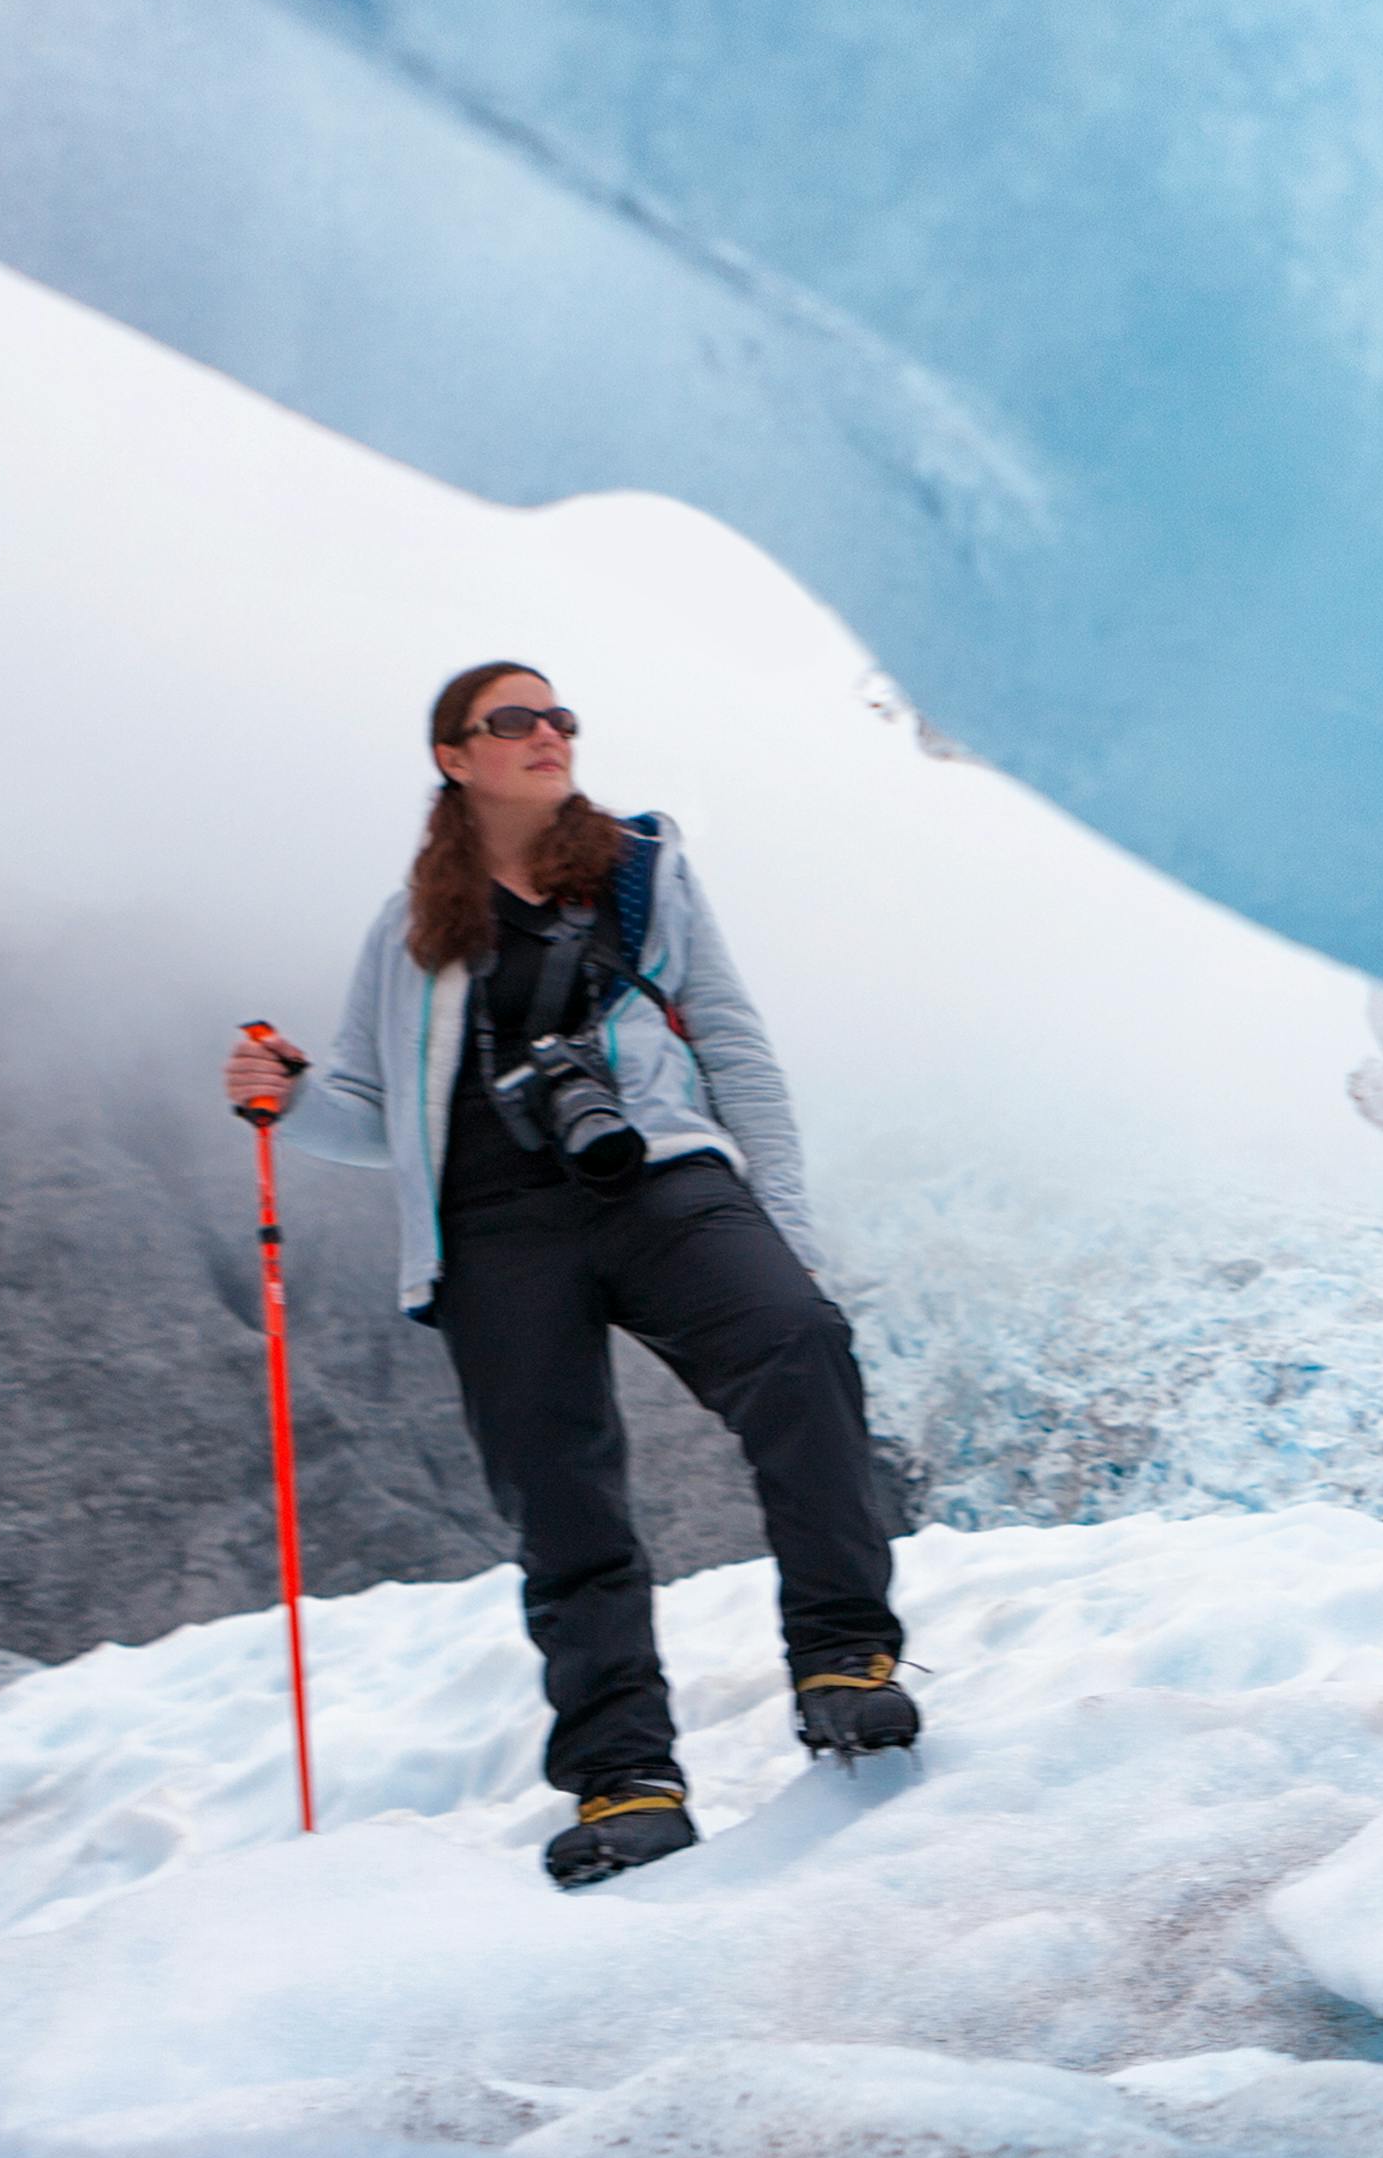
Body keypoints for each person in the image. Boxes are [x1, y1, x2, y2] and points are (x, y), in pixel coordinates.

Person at [222, 660, 916, 1889]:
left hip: (656, 1173)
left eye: (561, 717)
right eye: (515, 720)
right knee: (565, 1500)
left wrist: (787, 1223)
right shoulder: (409, 927)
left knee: (797, 1339)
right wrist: (286, 1095)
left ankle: (845, 1659)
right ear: (454, 756)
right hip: (491, 1226)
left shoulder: (647, 873)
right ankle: (625, 1779)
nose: (549, 733)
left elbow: (739, 1050)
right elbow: (370, 1116)